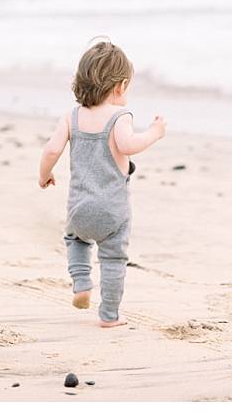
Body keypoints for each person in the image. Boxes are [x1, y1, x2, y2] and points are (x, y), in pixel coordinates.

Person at [38, 40, 167, 327]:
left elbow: (51, 150)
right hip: (113, 211)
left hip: (79, 209)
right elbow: (129, 145)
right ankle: (109, 315)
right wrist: (155, 133)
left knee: (75, 240)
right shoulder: (120, 117)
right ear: (120, 86)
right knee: (113, 260)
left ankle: (82, 282)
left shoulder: (71, 117)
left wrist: (44, 174)